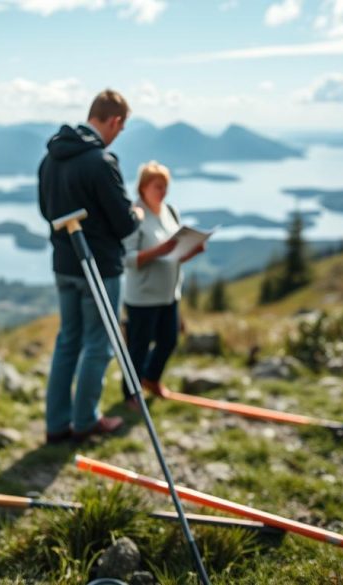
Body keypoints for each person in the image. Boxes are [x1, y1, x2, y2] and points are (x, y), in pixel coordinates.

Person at [38, 89, 143, 443]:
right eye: (121, 128)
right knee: (98, 344)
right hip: (100, 268)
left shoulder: (49, 159)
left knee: (68, 340)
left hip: (63, 264)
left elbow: (45, 211)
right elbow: (124, 224)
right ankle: (85, 421)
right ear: (114, 121)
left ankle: (56, 424)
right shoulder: (101, 161)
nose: (118, 134)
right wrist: (137, 214)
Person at [121, 161, 204, 407]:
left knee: (169, 340)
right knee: (138, 346)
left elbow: (174, 255)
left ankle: (151, 378)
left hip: (169, 292)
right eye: (158, 186)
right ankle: (130, 393)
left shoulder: (170, 211)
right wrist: (161, 250)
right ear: (144, 187)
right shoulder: (135, 215)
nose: (163, 192)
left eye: (165, 187)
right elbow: (127, 259)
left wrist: (192, 251)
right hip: (143, 295)